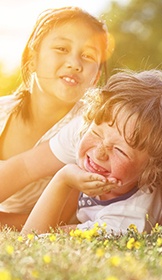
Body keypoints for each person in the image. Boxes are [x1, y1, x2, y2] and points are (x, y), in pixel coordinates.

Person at [21, 69, 162, 235]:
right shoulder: (92, 167)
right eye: (95, 133)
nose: (100, 152)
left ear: (153, 168)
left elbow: (34, 236)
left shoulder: (128, 218)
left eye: (119, 150)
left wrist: (63, 179)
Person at [0, 6, 111, 229]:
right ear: (32, 59)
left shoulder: (88, 131)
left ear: (96, 77)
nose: (74, 63)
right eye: (61, 48)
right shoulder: (3, 111)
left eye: (88, 56)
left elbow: (61, 216)